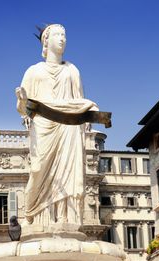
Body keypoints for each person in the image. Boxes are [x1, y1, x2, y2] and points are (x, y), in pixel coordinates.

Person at [16, 24, 98, 226]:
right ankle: (36, 214)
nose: (63, 39)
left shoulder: (72, 71)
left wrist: (89, 109)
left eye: (64, 35)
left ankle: (65, 218)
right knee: (38, 169)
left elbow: (78, 101)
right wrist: (22, 100)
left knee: (69, 171)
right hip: (43, 125)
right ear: (46, 40)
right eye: (58, 35)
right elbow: (22, 109)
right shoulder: (34, 71)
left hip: (68, 126)